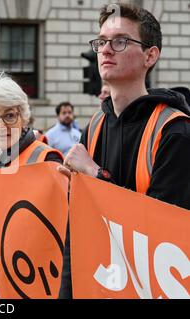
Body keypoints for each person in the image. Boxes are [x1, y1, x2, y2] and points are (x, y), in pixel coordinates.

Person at [59, 3, 190, 298]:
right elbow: (75, 230)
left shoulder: (175, 130)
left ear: (150, 55)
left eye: (120, 41)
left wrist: (94, 173)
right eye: (101, 41)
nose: (105, 50)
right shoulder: (93, 128)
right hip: (100, 283)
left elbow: (160, 237)